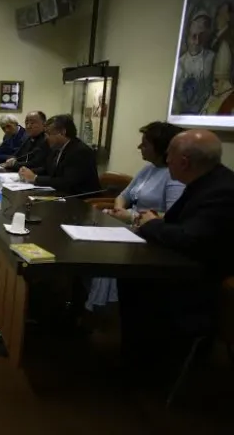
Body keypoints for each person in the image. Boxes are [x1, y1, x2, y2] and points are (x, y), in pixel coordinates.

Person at [118, 129, 234, 381]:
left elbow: (191, 238)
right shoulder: (204, 181)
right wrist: (156, 223)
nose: (166, 159)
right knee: (130, 278)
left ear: (184, 162)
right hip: (184, 266)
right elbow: (178, 225)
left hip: (204, 282)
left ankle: (149, 367)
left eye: (169, 154)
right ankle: (140, 359)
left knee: (136, 280)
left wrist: (151, 224)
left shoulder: (221, 191)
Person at [87, 122, 185, 311]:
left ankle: (105, 309)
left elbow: (174, 216)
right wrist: (119, 210)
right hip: (126, 226)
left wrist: (131, 216)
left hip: (149, 237)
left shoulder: (174, 176)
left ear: (161, 148)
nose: (139, 147)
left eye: (145, 144)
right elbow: (123, 196)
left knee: (102, 255)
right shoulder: (148, 169)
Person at [19, 114, 101, 195]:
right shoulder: (57, 148)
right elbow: (47, 170)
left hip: (81, 199)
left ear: (62, 132)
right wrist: (28, 172)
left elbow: (66, 181)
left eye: (49, 133)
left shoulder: (80, 151)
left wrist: (35, 178)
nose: (46, 138)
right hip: (61, 194)